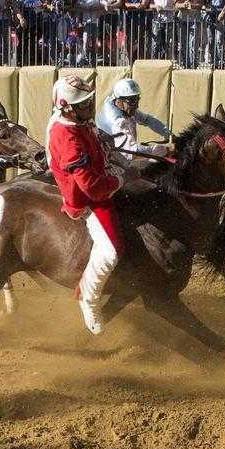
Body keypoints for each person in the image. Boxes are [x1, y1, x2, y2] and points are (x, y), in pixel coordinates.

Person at [46, 75, 137, 335]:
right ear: (67, 107)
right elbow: (93, 189)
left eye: (90, 101)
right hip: (86, 201)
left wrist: (103, 139)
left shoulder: (80, 120)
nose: (90, 107)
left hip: (101, 176)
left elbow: (93, 131)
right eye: (84, 104)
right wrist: (122, 178)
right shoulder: (69, 139)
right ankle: (89, 296)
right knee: (111, 252)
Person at [96, 78, 175, 166]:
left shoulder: (119, 105)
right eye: (133, 101)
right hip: (112, 165)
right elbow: (131, 153)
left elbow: (147, 120)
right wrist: (165, 149)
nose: (137, 106)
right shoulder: (118, 121)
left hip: (115, 157)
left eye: (137, 100)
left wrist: (168, 134)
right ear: (119, 101)